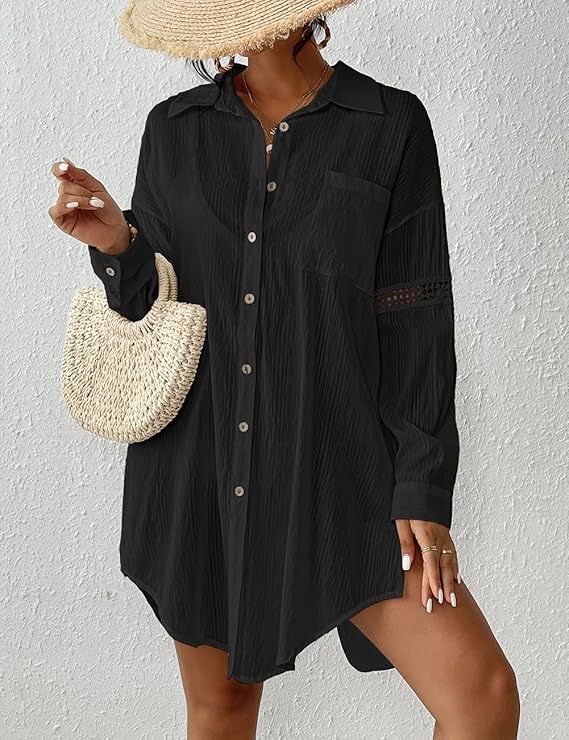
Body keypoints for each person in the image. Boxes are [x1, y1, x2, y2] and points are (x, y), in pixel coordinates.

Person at [48, 1, 520, 737]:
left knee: (481, 698)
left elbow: (416, 318)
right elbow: (155, 307)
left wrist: (422, 489)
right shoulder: (174, 130)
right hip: (204, 470)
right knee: (222, 709)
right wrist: (117, 245)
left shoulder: (388, 124)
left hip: (341, 476)